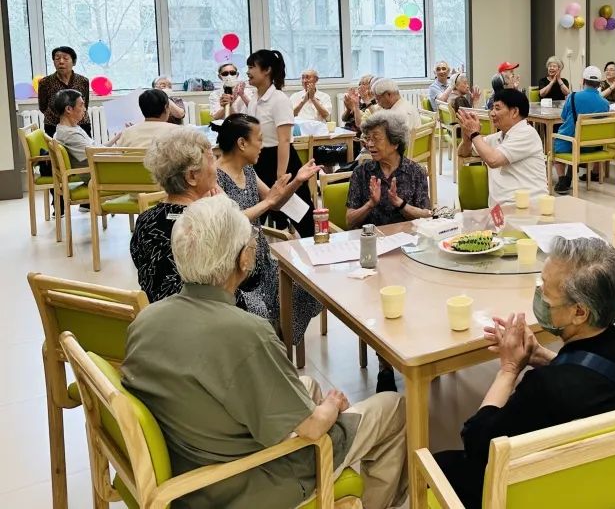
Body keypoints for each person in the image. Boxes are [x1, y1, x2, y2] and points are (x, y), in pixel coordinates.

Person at [122, 194, 408, 509]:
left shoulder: (145, 321)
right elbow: (313, 427)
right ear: (243, 260)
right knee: (393, 407)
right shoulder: (246, 333)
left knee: (308, 386)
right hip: (244, 484)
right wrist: (331, 406)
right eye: (252, 244)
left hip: (190, 461)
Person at [432, 237, 615, 509]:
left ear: (579, 312)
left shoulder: (545, 389)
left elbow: (477, 443)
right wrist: (541, 356)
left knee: (440, 464)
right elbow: (596, 381)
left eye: (546, 291)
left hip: (557, 495)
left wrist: (508, 369)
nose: (540, 294)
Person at [212, 114, 322, 344]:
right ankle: (271, 345)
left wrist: (297, 181)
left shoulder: (248, 171)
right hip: (236, 272)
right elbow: (233, 220)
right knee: (259, 317)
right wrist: (269, 201)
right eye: (259, 139)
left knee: (311, 288)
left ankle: (281, 343)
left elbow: (275, 202)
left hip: (262, 261)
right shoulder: (214, 178)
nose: (262, 146)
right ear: (242, 143)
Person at [132, 127, 223, 304]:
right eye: (212, 158)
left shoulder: (145, 220)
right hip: (203, 314)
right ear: (192, 176)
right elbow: (250, 276)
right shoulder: (208, 223)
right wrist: (223, 207)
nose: (217, 166)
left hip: (156, 313)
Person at [241, 49, 315, 237]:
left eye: (252, 67)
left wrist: (280, 175)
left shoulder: (279, 99)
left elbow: (284, 140)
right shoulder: (254, 100)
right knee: (257, 214)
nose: (248, 72)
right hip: (259, 160)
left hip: (282, 160)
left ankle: (314, 248)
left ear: (267, 70)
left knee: (301, 216)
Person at [457, 88, 547, 207]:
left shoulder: (527, 133)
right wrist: (467, 136)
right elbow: (463, 152)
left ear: (514, 112)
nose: (492, 113)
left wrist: (474, 133)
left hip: (527, 207)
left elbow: (493, 160)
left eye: (497, 108)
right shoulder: (498, 137)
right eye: (492, 108)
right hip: (502, 209)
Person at [346, 112, 431, 229]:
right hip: (372, 238)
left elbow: (427, 216)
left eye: (376, 139)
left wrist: (400, 204)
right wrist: (370, 204)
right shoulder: (361, 172)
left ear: (395, 143)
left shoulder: (415, 172)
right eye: (368, 139)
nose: (369, 144)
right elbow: (350, 221)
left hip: (405, 237)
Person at [552, 66, 611, 194]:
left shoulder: (573, 97)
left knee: (556, 140)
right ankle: (572, 175)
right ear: (599, 84)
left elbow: (563, 117)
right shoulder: (605, 103)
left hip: (571, 144)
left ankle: (562, 179)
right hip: (593, 145)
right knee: (577, 140)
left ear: (583, 81)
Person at [50, 90, 122, 169]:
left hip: (98, 165)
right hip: (96, 170)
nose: (84, 109)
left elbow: (98, 149)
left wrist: (117, 138)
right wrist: (122, 149)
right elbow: (98, 154)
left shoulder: (69, 128)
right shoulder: (70, 135)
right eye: (81, 105)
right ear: (68, 109)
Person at [38, 46, 91, 137]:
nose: (61, 62)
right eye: (57, 58)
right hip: (54, 125)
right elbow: (43, 106)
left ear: (74, 62)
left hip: (81, 124)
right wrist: (61, 118)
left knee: (86, 145)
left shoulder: (83, 81)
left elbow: (84, 103)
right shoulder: (45, 82)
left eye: (66, 58)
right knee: (57, 146)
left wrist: (75, 117)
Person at [115, 89, 180, 148]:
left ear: (142, 108)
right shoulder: (178, 131)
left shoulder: (127, 132)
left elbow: (119, 154)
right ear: (166, 107)